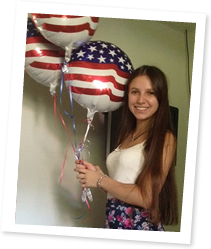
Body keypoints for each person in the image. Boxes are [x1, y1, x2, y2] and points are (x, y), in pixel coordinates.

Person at [74, 65, 178, 249]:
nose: (141, 100)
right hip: (114, 224)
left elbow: (146, 197)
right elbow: (122, 189)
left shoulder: (164, 137)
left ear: (160, 98)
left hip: (139, 230)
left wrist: (100, 180)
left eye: (150, 93)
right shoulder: (126, 135)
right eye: (135, 92)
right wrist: (97, 175)